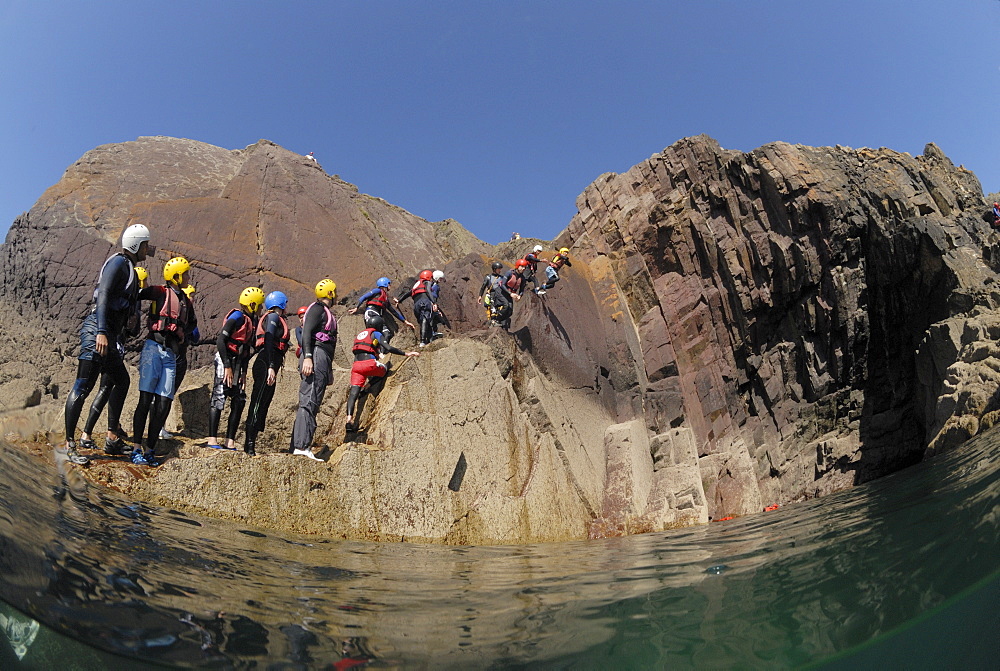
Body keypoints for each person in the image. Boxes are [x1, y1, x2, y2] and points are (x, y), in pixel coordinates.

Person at [63, 223, 154, 465]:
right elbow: (103, 293)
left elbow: (130, 300)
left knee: (121, 381)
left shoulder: (131, 270)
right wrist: (101, 332)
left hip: (111, 336)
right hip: (98, 331)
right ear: (136, 244)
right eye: (145, 245)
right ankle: (70, 444)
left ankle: (112, 437)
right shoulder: (119, 263)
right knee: (83, 386)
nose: (147, 249)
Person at [76, 263, 151, 453]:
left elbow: (133, 331)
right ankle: (90, 434)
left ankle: (95, 433)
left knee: (108, 388)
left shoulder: (133, 302)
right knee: (105, 388)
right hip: (111, 345)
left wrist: (131, 324)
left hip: (116, 345)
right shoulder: (128, 297)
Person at [130, 256, 198, 465]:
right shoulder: (160, 292)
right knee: (145, 399)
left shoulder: (186, 302)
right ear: (176, 276)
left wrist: (182, 333)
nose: (188, 277)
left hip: (171, 354)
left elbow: (192, 326)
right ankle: (136, 448)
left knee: (164, 402)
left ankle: (151, 449)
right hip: (153, 348)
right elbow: (139, 294)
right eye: (185, 273)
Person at [208, 287, 264, 450]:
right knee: (219, 396)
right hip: (225, 359)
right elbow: (221, 341)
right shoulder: (237, 317)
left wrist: (244, 373)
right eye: (259, 306)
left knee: (239, 399)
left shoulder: (251, 321)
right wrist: (227, 367)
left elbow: (246, 349)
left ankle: (229, 441)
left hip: (239, 363)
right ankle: (212, 440)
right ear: (252, 304)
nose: (261, 310)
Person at [344, 313, 420, 432]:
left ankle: (349, 419)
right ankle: (368, 386)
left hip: (356, 366)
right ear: (378, 325)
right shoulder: (376, 333)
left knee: (353, 393)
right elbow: (388, 348)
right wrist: (407, 353)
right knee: (385, 369)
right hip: (369, 364)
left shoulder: (360, 335)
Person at [290, 279, 338, 461]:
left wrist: (329, 371)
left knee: (314, 401)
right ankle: (301, 446)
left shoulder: (325, 312)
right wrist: (308, 357)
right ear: (331, 293)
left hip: (323, 358)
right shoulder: (317, 309)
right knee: (308, 400)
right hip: (315, 355)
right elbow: (307, 333)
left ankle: (303, 445)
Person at [243, 291, 290, 456]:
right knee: (257, 402)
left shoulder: (276, 318)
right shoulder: (273, 318)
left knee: (264, 404)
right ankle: (249, 445)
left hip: (270, 364)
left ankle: (252, 442)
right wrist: (270, 365)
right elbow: (269, 339)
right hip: (265, 363)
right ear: (282, 304)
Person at [160, 283, 199, 440]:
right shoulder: (183, 313)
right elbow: (195, 336)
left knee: (166, 392)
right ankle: (159, 427)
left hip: (174, 355)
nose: (192, 299)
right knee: (166, 393)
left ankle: (159, 426)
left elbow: (195, 337)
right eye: (191, 296)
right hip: (176, 356)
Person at [348, 277, 414, 346]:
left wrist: (405, 321)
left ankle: (382, 353)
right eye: (389, 284)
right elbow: (363, 297)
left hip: (378, 317)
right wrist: (356, 307)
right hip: (371, 313)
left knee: (387, 334)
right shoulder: (377, 291)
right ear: (385, 284)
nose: (390, 285)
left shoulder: (385, 298)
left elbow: (394, 311)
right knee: (374, 335)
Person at [394, 270, 436, 347]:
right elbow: (428, 290)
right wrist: (434, 302)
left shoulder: (416, 285)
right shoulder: (427, 282)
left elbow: (408, 293)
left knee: (423, 321)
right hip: (425, 301)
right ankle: (423, 341)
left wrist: (399, 301)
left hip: (416, 305)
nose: (432, 280)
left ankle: (429, 340)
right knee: (425, 319)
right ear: (428, 277)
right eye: (431, 278)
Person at [493, 260, 529, 330]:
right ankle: (495, 320)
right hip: (501, 292)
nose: (523, 268)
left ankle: (501, 321)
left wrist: (519, 296)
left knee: (510, 311)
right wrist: (510, 293)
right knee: (506, 306)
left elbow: (522, 290)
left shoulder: (523, 278)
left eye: (524, 267)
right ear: (518, 266)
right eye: (522, 266)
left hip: (509, 294)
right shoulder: (509, 273)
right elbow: (503, 285)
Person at [477, 262, 506, 326]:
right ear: (495, 269)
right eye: (499, 269)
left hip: (500, 295)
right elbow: (483, 287)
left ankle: (499, 321)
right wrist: (480, 296)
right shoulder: (488, 277)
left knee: (501, 309)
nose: (500, 270)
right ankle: (493, 322)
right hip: (492, 295)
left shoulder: (502, 278)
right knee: (493, 309)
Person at [429, 269, 450, 339]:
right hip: (431, 304)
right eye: (440, 279)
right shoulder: (436, 287)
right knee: (433, 317)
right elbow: (433, 296)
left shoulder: (431, 285)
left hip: (428, 303)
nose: (441, 280)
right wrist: (435, 306)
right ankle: (432, 333)